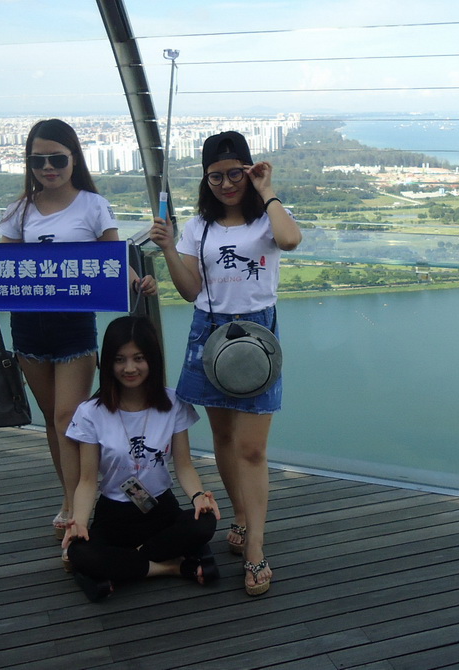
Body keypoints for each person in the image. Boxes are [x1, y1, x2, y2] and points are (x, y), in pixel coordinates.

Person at [0, 119, 157, 539]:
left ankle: (78, 509)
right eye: (38, 160)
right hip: (28, 328)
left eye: (56, 159)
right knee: (53, 420)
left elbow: (112, 259)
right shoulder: (19, 210)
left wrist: (138, 281)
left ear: (73, 158)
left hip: (74, 327)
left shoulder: (94, 206)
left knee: (67, 418)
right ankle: (71, 497)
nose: (48, 168)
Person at [150, 130, 302, 596]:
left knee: (252, 448)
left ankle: (255, 545)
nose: (226, 184)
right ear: (205, 179)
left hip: (257, 333)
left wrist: (266, 189)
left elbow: (291, 239)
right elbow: (190, 291)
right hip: (210, 331)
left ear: (249, 170)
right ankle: (240, 515)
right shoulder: (199, 227)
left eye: (235, 173)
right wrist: (169, 248)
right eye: (215, 176)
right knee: (222, 438)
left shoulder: (266, 220)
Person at [60, 315, 220, 602]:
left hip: (161, 508)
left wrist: (199, 497)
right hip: (114, 515)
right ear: (108, 362)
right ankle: (172, 566)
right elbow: (87, 480)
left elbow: (184, 466)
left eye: (139, 358)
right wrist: (79, 521)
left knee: (204, 522)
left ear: (152, 360)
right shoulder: (91, 412)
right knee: (78, 551)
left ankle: (126, 566)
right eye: (119, 360)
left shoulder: (173, 403)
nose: (129, 368)